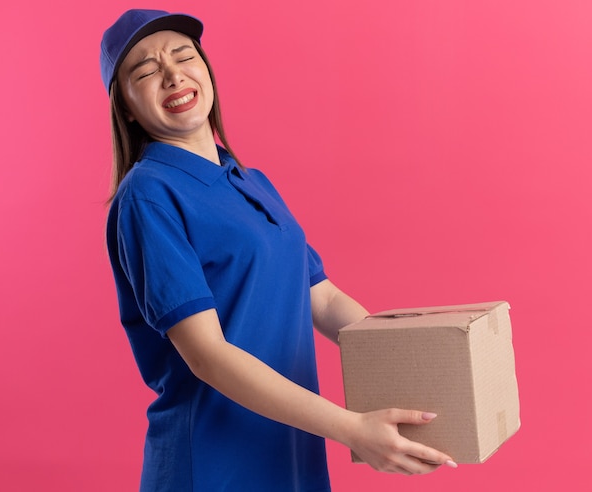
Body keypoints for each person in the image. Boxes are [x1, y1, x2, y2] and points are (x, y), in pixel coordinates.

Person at [100, 8, 457, 492]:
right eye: (145, 71)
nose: (172, 75)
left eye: (184, 57)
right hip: (212, 462)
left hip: (291, 453)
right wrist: (352, 429)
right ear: (124, 105)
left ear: (205, 68)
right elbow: (206, 354)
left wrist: (421, 361)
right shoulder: (148, 195)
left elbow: (323, 299)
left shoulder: (252, 182)